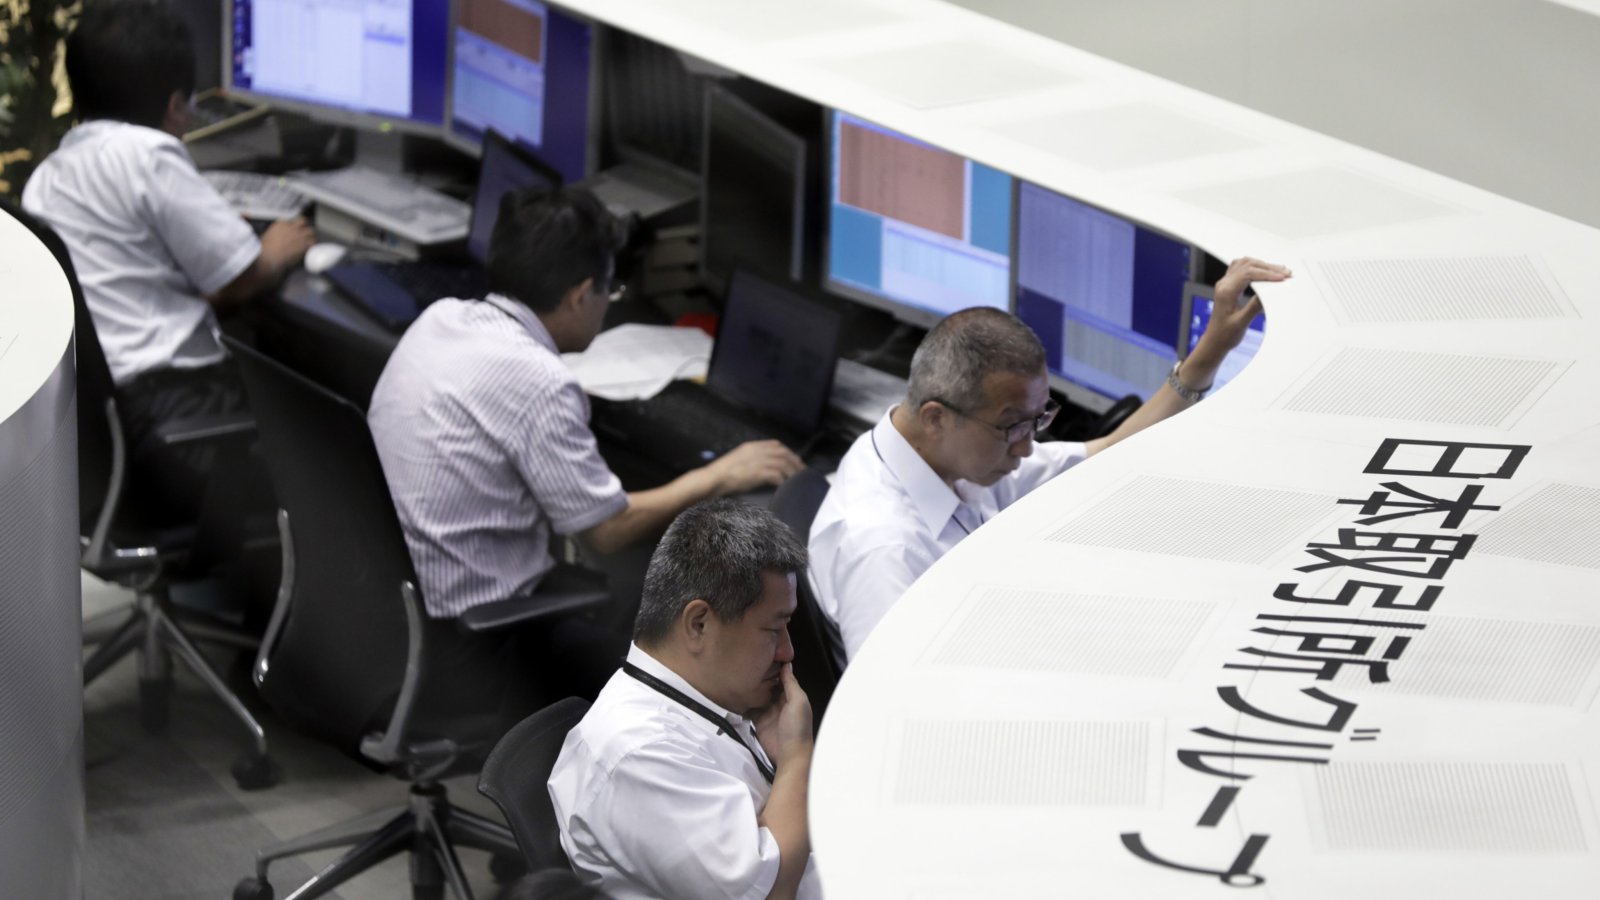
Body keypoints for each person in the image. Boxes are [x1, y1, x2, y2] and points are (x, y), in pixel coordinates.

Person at [365, 188, 802, 710]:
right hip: (479, 644)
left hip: (393, 608)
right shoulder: (538, 380)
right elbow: (606, 531)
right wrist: (721, 475)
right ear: (579, 295)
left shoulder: (442, 318)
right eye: (609, 290)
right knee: (684, 594)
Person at [810, 257, 1293, 662]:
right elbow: (896, 706)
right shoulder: (885, 549)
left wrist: (1211, 351)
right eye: (1012, 426)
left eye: (1037, 420)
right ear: (936, 417)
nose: (1026, 448)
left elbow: (1107, 452)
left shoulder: (950, 457)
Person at [21, 0, 314, 527]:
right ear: (176, 106)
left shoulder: (49, 176)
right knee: (322, 424)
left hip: (100, 429)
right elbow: (244, 272)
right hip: (176, 416)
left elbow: (125, 287)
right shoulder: (149, 155)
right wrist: (278, 249)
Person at [549, 499, 819, 900]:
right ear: (699, 624)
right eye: (773, 629)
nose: (787, 651)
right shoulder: (638, 752)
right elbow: (770, 891)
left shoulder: (713, 696)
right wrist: (798, 757)